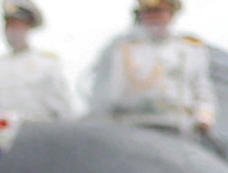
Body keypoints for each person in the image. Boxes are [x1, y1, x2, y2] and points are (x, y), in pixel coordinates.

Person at [84, 0, 214, 136]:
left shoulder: (189, 49)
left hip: (174, 125)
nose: (155, 17)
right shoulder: (118, 49)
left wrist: (204, 115)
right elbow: (101, 92)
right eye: (149, 12)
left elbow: (201, 87)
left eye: (160, 12)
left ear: (171, 14)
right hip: (129, 123)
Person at [0, 1, 77, 125]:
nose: (12, 32)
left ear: (28, 28)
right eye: (9, 26)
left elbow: (64, 112)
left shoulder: (46, 65)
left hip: (37, 136)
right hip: (0, 139)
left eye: (17, 26)